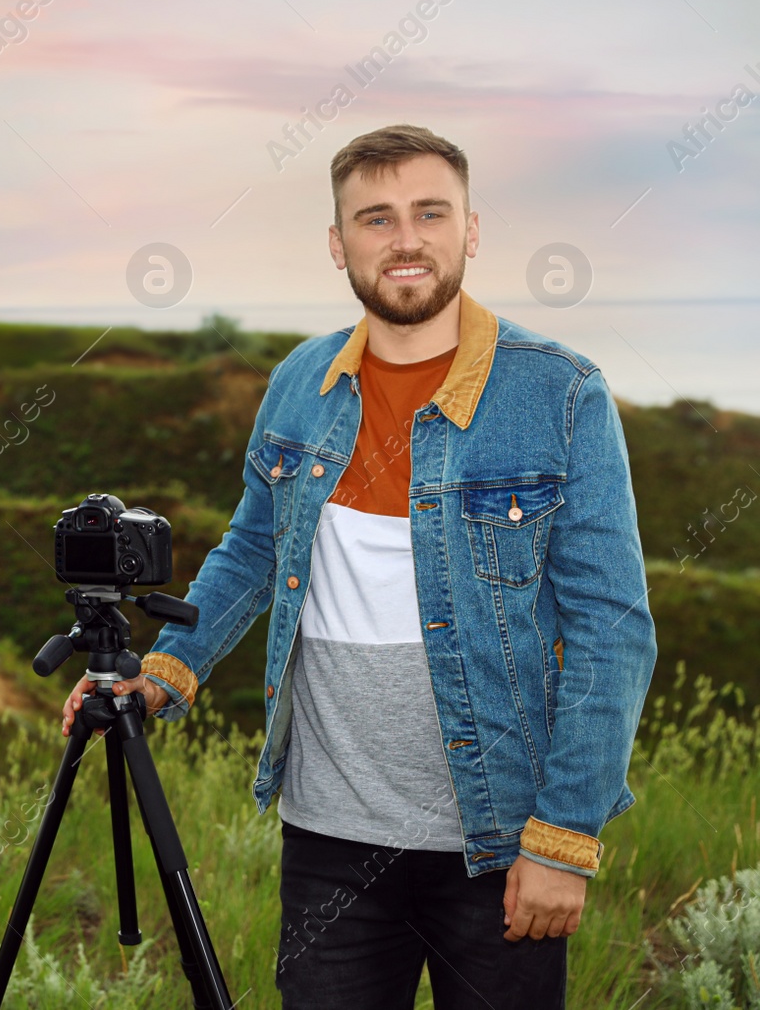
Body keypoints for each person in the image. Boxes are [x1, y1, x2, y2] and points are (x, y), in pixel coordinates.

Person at [61, 124, 656, 1008]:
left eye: (429, 213)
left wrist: (562, 836)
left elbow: (613, 629)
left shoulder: (562, 394)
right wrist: (162, 673)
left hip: (495, 841)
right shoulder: (302, 381)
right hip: (328, 839)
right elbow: (254, 548)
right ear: (339, 244)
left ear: (471, 230)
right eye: (376, 219)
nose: (405, 239)